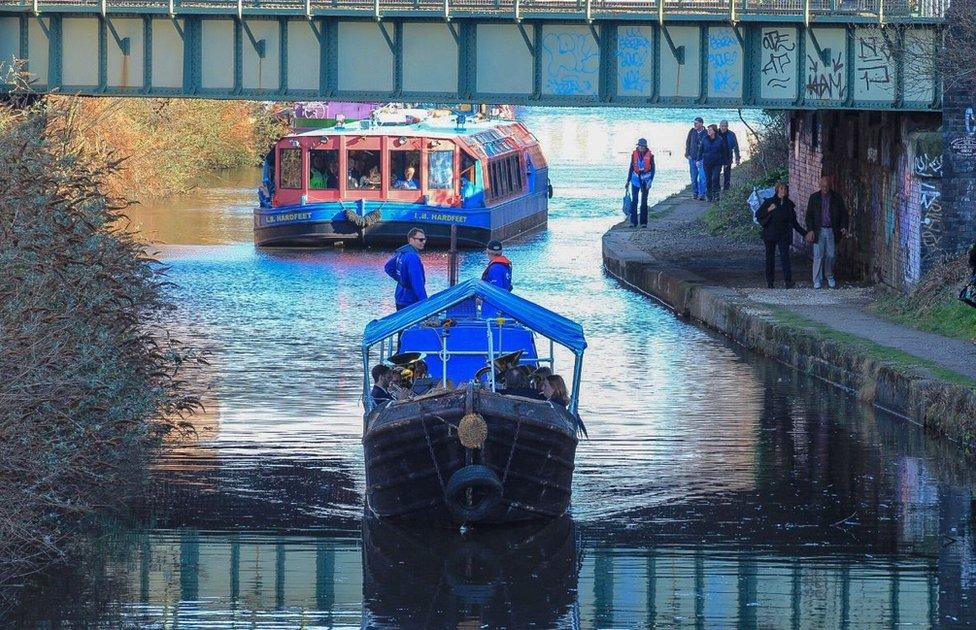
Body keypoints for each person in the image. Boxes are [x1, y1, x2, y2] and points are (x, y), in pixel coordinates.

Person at [756, 183, 807, 289]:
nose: (783, 191)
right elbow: (758, 214)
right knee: (770, 258)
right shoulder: (769, 202)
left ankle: (788, 281)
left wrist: (805, 234)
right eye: (781, 189)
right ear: (777, 190)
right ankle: (770, 281)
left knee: (785, 258)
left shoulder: (789, 205)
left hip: (783, 234)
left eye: (785, 189)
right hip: (770, 234)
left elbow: (794, 223)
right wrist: (768, 209)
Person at [804, 176, 849, 289]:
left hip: (831, 230)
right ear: (820, 185)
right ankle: (817, 279)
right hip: (818, 230)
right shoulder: (814, 198)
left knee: (831, 255)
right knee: (818, 255)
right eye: (823, 186)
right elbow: (809, 216)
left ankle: (829, 275)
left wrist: (843, 226)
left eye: (827, 186)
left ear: (830, 185)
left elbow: (844, 213)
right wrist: (810, 230)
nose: (825, 188)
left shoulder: (836, 197)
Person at [384, 228, 428, 310]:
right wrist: (426, 303)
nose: (424, 242)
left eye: (425, 239)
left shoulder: (402, 253)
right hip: (411, 301)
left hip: (399, 298)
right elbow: (417, 283)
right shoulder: (413, 257)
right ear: (411, 240)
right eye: (421, 240)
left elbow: (388, 267)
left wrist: (401, 280)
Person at [626, 138, 655, 228]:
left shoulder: (650, 156)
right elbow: (631, 168)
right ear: (638, 146)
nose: (641, 148)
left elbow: (653, 169)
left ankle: (643, 223)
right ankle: (633, 222)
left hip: (646, 181)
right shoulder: (634, 154)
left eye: (642, 146)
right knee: (634, 201)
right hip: (635, 180)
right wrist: (628, 181)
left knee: (644, 201)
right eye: (639, 146)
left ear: (645, 147)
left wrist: (650, 181)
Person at [481, 239, 512, 319]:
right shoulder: (505, 266)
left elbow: (495, 292)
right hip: (505, 307)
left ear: (487, 252)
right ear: (501, 252)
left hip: (492, 311)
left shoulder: (495, 268)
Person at [698, 124, 727, 203]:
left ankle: (716, 195)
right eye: (708, 130)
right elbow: (700, 150)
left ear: (714, 131)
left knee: (715, 178)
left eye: (710, 130)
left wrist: (725, 162)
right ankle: (709, 195)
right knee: (708, 179)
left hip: (717, 163)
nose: (708, 131)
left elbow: (724, 151)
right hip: (706, 163)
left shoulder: (720, 139)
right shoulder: (705, 139)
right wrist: (698, 160)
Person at [684, 117, 707, 200]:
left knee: (702, 177)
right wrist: (687, 154)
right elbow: (688, 142)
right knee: (693, 178)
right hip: (692, 158)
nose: (695, 125)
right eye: (694, 123)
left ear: (701, 124)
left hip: (701, 159)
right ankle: (695, 193)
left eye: (696, 123)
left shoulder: (706, 133)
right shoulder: (692, 131)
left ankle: (702, 194)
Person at [718, 120, 740, 191]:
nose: (723, 127)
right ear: (719, 126)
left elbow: (736, 146)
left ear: (727, 126)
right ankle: (717, 188)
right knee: (716, 173)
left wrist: (737, 158)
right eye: (722, 126)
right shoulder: (716, 133)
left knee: (727, 174)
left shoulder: (731, 134)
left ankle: (726, 189)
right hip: (717, 157)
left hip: (728, 157)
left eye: (725, 126)